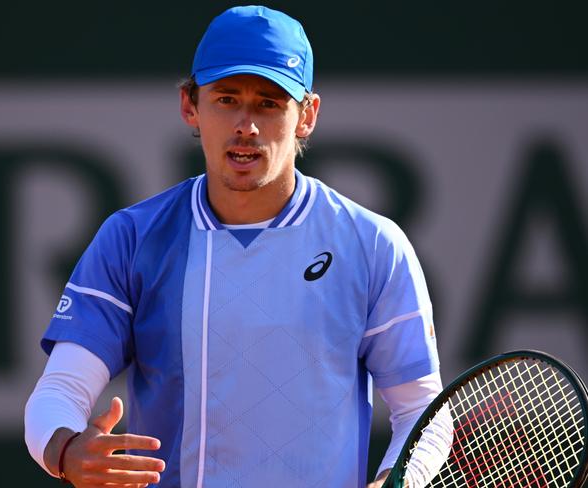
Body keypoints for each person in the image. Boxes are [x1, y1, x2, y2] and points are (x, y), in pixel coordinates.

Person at [24, 5, 444, 488]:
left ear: (307, 115)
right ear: (190, 106)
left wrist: (397, 482)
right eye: (226, 99)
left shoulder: (373, 245)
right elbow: (60, 390)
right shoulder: (132, 238)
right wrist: (65, 448)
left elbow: (422, 412)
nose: (247, 125)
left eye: (269, 103)